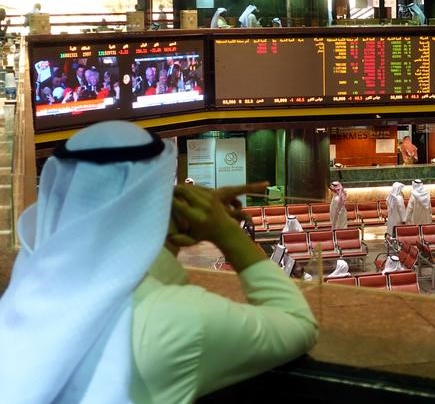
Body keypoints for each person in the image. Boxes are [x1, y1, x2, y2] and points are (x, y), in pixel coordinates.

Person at [0, 120, 317, 403]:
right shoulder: (180, 317)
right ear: (156, 199)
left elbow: (119, 283)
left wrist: (163, 239)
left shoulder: (28, 282)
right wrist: (228, 233)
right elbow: (297, 324)